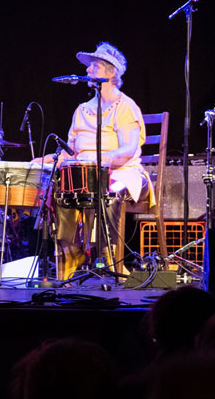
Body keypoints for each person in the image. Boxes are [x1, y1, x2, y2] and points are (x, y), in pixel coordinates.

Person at [51, 42, 151, 280]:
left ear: (111, 72)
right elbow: (71, 151)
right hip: (87, 173)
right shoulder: (82, 110)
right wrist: (49, 160)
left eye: (94, 66)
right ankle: (71, 253)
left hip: (123, 172)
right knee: (60, 189)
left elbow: (129, 149)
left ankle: (111, 258)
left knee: (109, 191)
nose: (87, 70)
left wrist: (101, 159)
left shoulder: (124, 106)